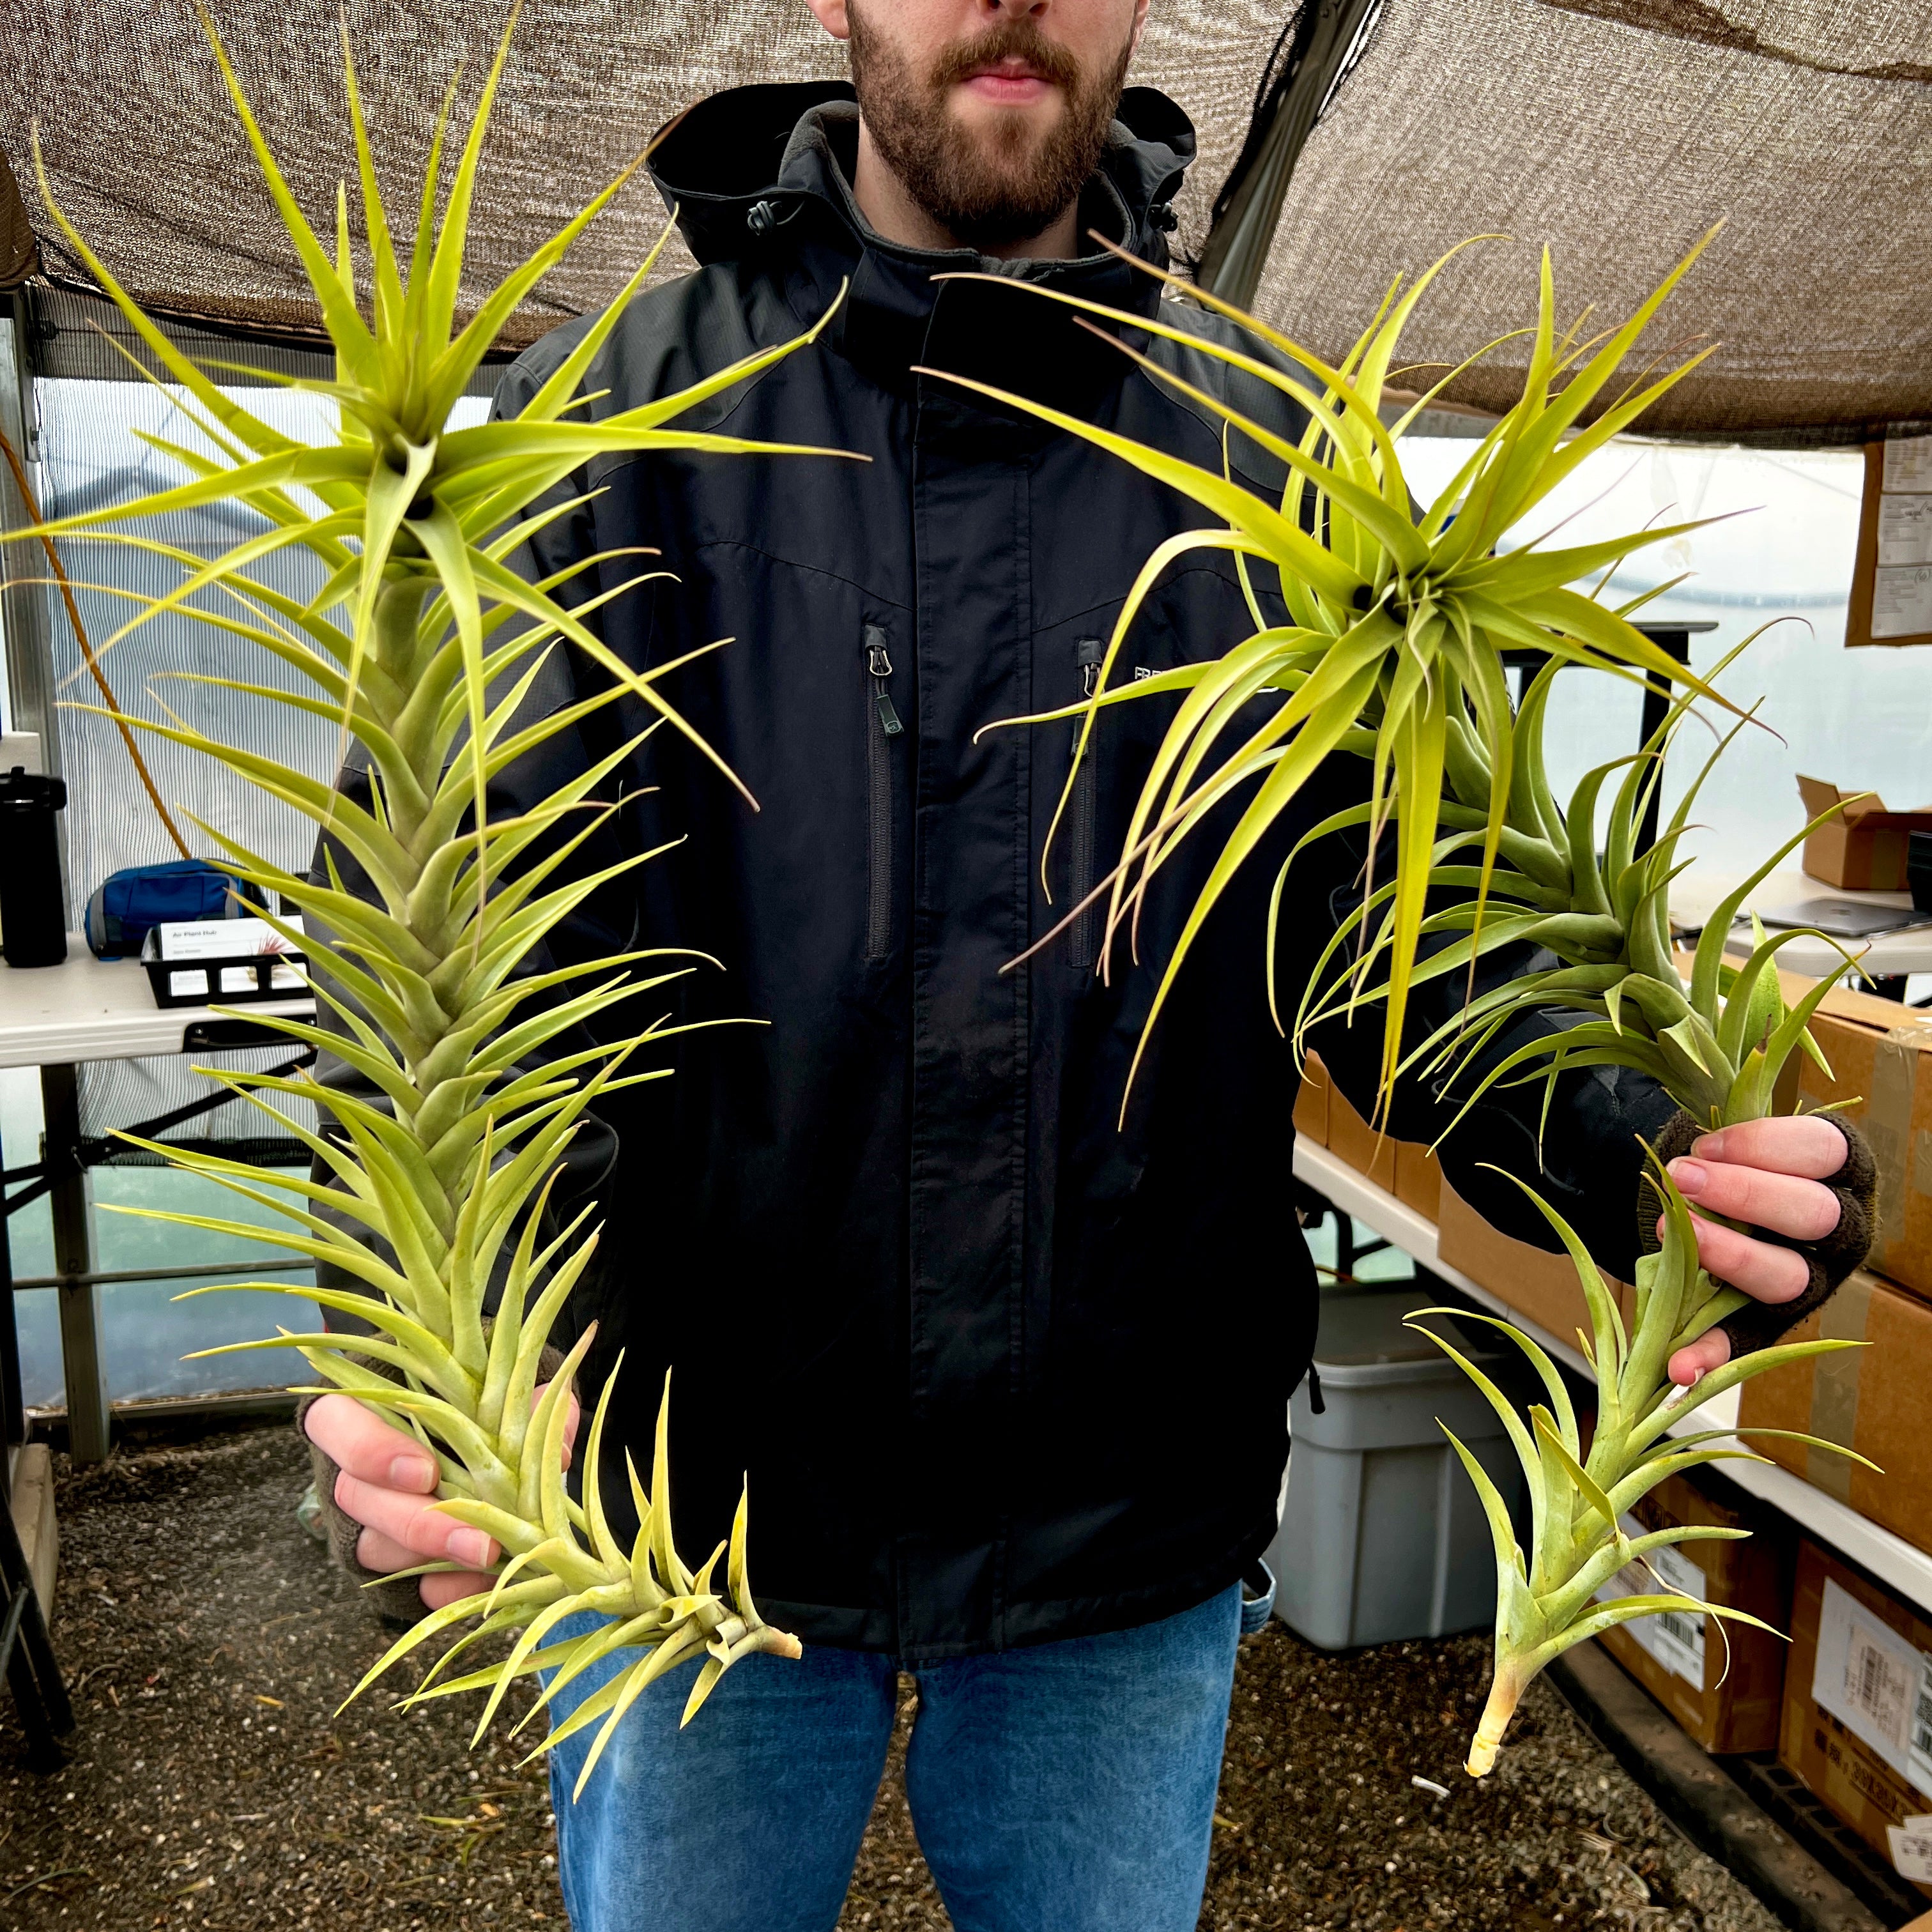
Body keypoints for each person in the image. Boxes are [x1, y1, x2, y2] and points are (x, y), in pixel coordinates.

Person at [302, 4, 1873, 1928]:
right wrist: (411, 1357)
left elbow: (1414, 923)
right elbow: (428, 971)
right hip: (677, 1508)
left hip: (1118, 1527)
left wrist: (1647, 1142)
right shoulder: (605, 429)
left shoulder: (1278, 453)